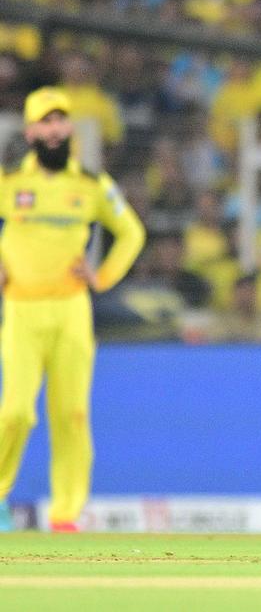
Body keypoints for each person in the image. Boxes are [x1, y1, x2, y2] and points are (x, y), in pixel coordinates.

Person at [0, 87, 146, 532]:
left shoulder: (90, 185)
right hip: (22, 310)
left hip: (70, 310)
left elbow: (131, 233)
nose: (54, 128)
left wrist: (101, 278)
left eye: (61, 120)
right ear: (29, 131)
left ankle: (66, 513)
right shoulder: (10, 182)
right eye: (45, 121)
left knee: (72, 415)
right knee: (17, 411)